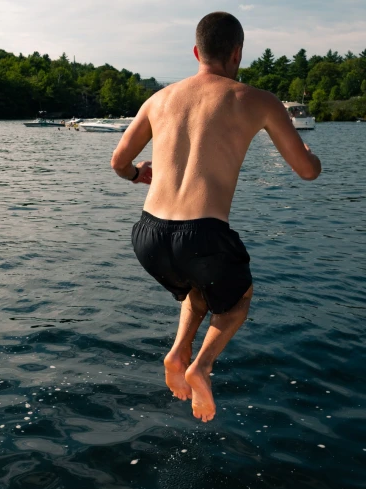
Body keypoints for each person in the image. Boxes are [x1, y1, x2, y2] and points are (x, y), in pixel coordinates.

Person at [110, 12, 322, 423]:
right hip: (203, 234)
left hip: (148, 234)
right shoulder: (256, 99)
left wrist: (138, 175)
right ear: (237, 53)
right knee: (237, 302)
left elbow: (119, 161)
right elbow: (306, 171)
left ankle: (177, 351)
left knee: (198, 289)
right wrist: (314, 157)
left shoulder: (160, 98)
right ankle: (201, 365)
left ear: (196, 52)